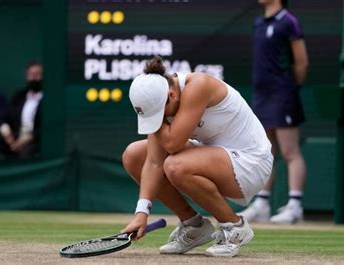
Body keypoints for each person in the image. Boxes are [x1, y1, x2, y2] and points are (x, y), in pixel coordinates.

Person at [121, 56, 273, 257]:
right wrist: (141, 213)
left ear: (172, 94)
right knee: (134, 155)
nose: (156, 120)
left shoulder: (198, 85)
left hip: (252, 163)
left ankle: (235, 227)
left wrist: (154, 120)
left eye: (158, 112)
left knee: (176, 165)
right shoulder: (161, 99)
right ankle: (194, 226)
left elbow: (173, 144)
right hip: (215, 158)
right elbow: (154, 161)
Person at [239, 0, 309, 224]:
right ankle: (261, 204)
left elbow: (302, 63)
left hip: (283, 94)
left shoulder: (289, 21)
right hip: (262, 96)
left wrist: (289, 88)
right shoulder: (259, 22)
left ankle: (295, 205)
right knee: (265, 152)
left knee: (290, 151)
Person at [0, 62, 43, 158]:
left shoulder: (50, 99)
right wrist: (7, 132)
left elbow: (48, 127)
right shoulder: (19, 96)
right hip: (15, 139)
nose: (34, 78)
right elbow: (5, 117)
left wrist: (28, 138)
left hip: (36, 142)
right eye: (31, 75)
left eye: (37, 74)